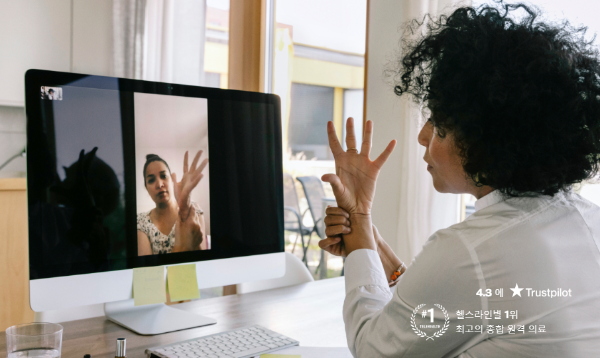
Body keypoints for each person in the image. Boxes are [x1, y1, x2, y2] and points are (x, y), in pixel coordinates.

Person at [320, 2, 600, 357]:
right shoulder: (586, 218)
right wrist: (370, 243)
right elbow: (452, 309)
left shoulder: (473, 250)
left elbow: (373, 348)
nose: (422, 136)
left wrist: (360, 239)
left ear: (484, 140)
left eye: (438, 124)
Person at [137, 151, 208, 255]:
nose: (159, 184)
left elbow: (202, 262)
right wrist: (183, 246)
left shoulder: (194, 209)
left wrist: (186, 212)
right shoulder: (140, 222)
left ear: (171, 180)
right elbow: (148, 270)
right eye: (151, 180)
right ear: (146, 188)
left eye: (163, 176)